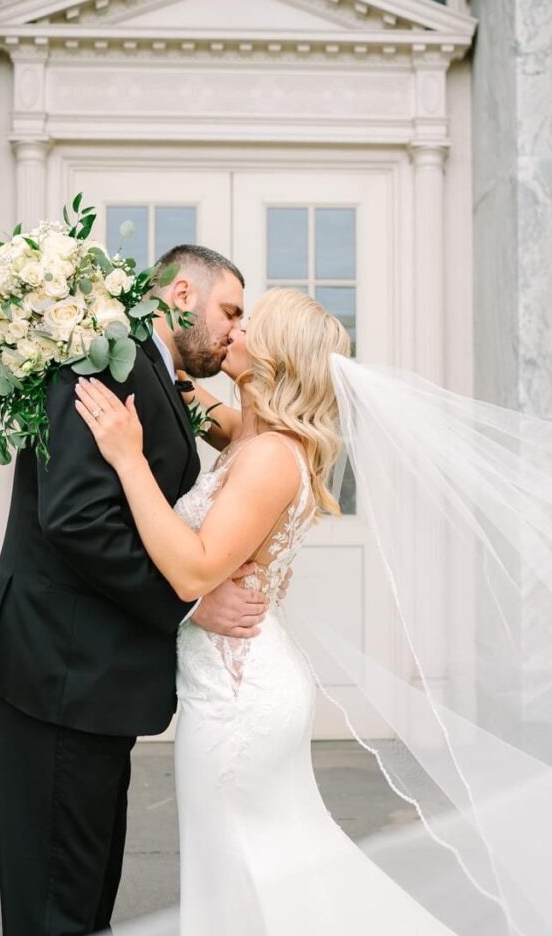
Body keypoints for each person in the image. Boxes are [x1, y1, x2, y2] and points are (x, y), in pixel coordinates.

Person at [74, 287, 459, 936]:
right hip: (234, 680)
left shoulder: (270, 458)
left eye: (250, 325)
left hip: (238, 696)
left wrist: (128, 458)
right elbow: (192, 403)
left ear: (273, 356)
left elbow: (195, 568)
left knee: (245, 871)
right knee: (268, 869)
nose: (237, 330)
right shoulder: (255, 433)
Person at [0, 245, 269, 936]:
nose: (234, 332)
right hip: (56, 674)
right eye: (230, 312)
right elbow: (75, 518)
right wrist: (189, 602)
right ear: (180, 292)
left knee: (84, 891)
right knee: (56, 903)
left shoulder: (154, 372)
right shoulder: (98, 359)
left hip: (89, 679)